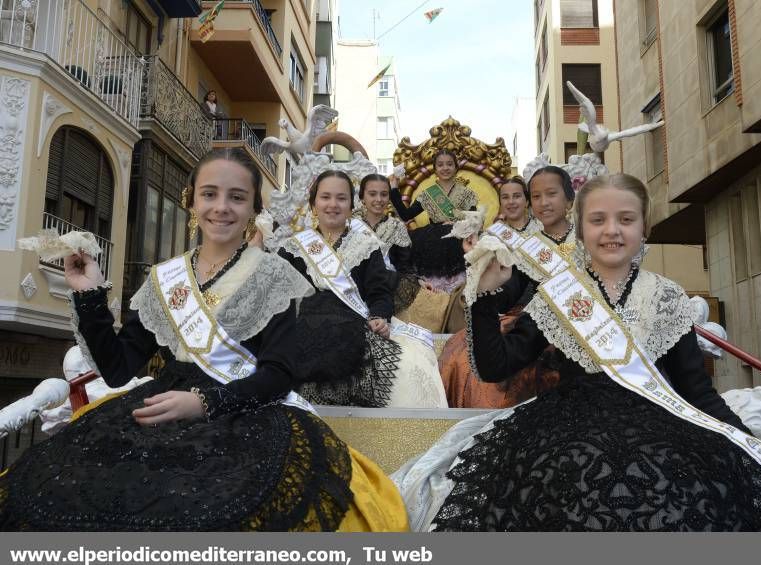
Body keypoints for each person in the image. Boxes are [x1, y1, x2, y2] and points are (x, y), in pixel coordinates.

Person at [0, 148, 408, 531]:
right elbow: (118, 366)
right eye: (209, 194)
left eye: (236, 197)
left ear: (252, 208)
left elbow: (280, 374)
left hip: (243, 411)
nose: (221, 207)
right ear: (192, 201)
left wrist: (204, 403)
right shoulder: (165, 278)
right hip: (160, 406)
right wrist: (88, 294)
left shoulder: (275, 276)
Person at [395, 173, 761, 531]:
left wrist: (747, 445)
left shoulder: (667, 296)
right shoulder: (557, 294)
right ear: (581, 229)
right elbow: (496, 366)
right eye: (598, 220)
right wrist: (483, 296)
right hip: (567, 429)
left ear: (644, 227)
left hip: (661, 429)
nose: (612, 231)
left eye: (626, 219)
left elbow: (697, 391)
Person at [279, 170, 446, 409]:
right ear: (314, 203)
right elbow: (279, 296)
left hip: (352, 327)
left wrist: (380, 316)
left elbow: (379, 292)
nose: (333, 205)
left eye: (341, 198)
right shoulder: (293, 248)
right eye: (325, 197)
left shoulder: (366, 246)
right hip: (301, 329)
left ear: (351, 205)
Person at [438, 175, 571, 408]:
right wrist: (485, 284)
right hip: (530, 318)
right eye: (537, 196)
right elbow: (512, 284)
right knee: (461, 353)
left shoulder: (587, 239)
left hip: (574, 332)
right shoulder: (527, 243)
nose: (543, 203)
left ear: (569, 200)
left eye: (551, 194)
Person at [389, 149, 478, 291]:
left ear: (456, 167)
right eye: (440, 165)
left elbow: (475, 219)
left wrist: (457, 223)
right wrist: (394, 188)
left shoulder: (467, 193)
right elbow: (406, 215)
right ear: (435, 169)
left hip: (459, 239)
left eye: (449, 164)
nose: (445, 168)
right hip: (433, 241)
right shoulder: (428, 194)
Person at [352, 173, 414, 307]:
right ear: (362, 197)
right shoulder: (350, 225)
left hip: (385, 290)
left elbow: (404, 267)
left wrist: (416, 281)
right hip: (352, 290)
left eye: (384, 194)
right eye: (372, 194)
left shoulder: (397, 227)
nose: (379, 199)